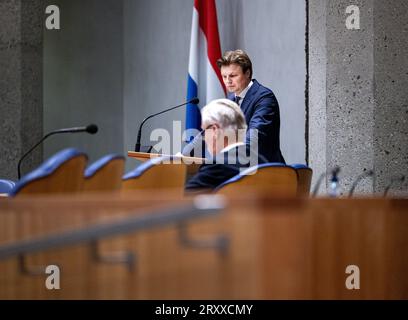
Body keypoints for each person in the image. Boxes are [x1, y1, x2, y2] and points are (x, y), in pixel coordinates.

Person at [216, 49, 285, 163]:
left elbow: (253, 140)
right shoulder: (229, 100)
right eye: (224, 76)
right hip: (239, 167)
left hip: (265, 171)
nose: (228, 81)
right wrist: (187, 153)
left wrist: (223, 159)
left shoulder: (264, 98)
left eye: (233, 75)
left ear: (247, 73)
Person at [185, 99, 265, 192]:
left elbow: (184, 200)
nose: (205, 138)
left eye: (204, 131)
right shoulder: (264, 162)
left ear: (214, 130)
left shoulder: (217, 165)